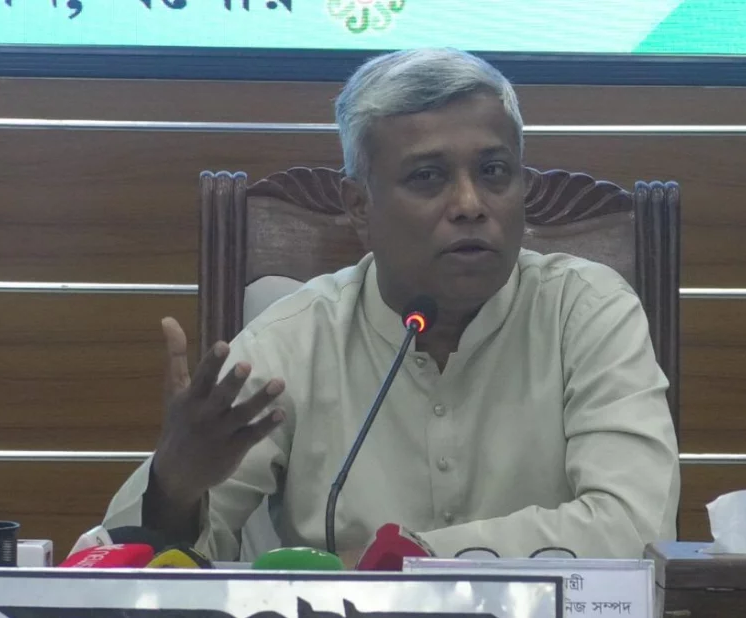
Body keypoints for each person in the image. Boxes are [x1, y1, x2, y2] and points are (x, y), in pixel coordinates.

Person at [103, 47, 680, 565]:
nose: (470, 203)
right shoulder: (294, 339)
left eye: (493, 172)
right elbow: (123, 566)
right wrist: (174, 490)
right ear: (359, 206)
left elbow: (637, 531)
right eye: (428, 177)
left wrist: (408, 559)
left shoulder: (586, 311)